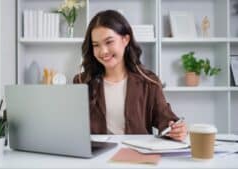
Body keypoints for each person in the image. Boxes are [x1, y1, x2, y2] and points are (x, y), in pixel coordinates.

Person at [73, 10, 187, 141]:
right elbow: (73, 126)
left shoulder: (148, 81)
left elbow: (166, 120)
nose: (103, 51)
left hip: (136, 156)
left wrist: (177, 129)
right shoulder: (82, 81)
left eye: (109, 42)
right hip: (96, 157)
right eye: (96, 45)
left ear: (125, 40)